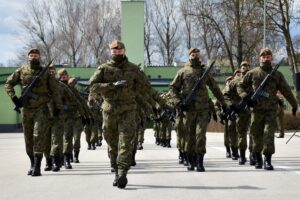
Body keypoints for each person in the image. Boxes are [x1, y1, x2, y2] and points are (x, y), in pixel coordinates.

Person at [89, 40, 164, 188]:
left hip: (128, 110)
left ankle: (122, 173)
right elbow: (93, 86)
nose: (117, 52)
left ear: (124, 51)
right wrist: (110, 86)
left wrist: (162, 103)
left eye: (119, 50)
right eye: (114, 50)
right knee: (112, 144)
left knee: (126, 143)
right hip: (109, 111)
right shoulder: (103, 69)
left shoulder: (134, 69)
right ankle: (116, 171)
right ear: (111, 52)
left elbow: (147, 88)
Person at [237, 48, 298, 170]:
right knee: (255, 134)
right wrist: (246, 97)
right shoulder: (253, 73)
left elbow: (286, 90)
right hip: (256, 109)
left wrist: (294, 104)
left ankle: (267, 160)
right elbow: (240, 86)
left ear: (271, 58)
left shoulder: (277, 75)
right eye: (263, 56)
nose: (266, 58)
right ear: (260, 58)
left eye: (268, 56)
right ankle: (258, 158)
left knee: (268, 134)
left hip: (271, 110)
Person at [4, 48, 62, 176]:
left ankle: (37, 166)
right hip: (26, 110)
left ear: (39, 57)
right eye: (31, 55)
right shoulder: (21, 71)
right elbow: (8, 84)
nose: (34, 57)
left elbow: (55, 90)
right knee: (28, 138)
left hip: (42, 108)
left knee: (38, 135)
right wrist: (14, 98)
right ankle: (32, 163)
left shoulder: (45, 72)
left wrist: (57, 107)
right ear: (28, 57)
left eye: (36, 55)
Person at [170, 48, 227, 172]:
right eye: (193, 54)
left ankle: (200, 161)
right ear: (189, 55)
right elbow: (173, 89)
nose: (195, 56)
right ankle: (190, 160)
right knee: (189, 137)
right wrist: (179, 102)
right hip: (188, 110)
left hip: (202, 110)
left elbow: (215, 88)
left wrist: (223, 103)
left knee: (200, 136)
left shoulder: (204, 72)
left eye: (197, 54)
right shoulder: (182, 72)